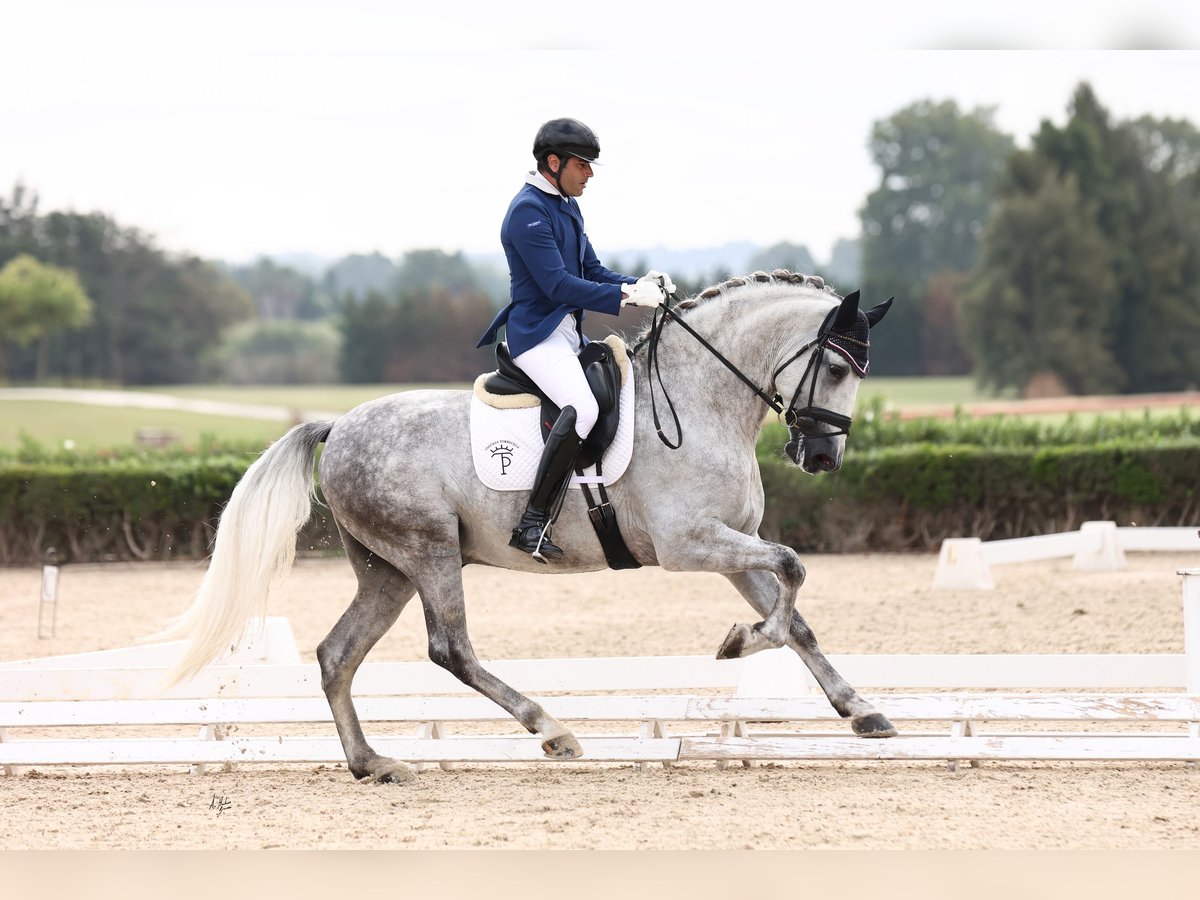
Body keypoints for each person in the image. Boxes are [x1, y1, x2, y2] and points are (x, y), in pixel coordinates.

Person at [476, 117, 675, 562]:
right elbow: (558, 286)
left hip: (568, 335)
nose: (589, 173)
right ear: (553, 162)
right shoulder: (528, 211)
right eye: (583, 164)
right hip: (537, 338)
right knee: (582, 407)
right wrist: (624, 296)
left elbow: (592, 272)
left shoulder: (566, 204)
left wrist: (640, 284)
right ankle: (531, 523)